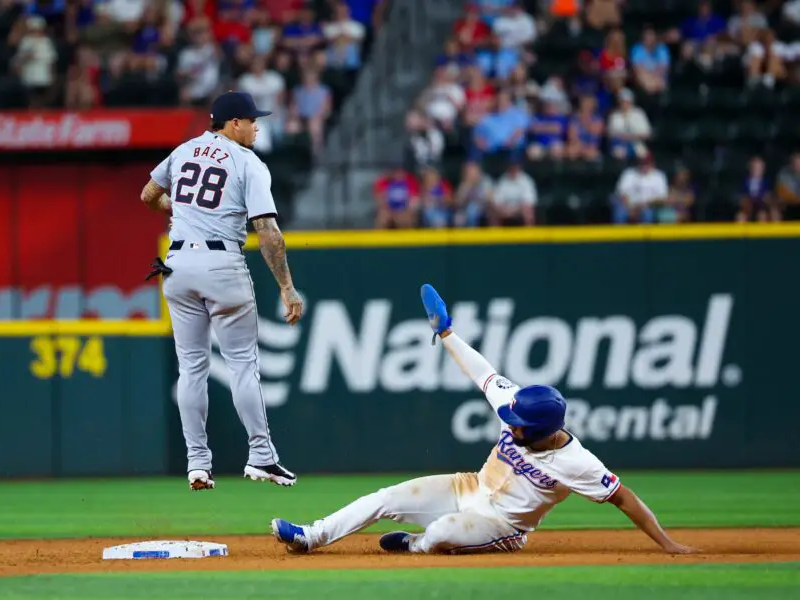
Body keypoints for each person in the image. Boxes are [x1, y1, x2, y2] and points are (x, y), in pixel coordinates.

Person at [270, 285, 699, 556]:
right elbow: (481, 371)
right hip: (469, 487)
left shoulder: (578, 463)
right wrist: (446, 333)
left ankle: (417, 545)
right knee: (385, 498)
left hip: (503, 525)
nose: (511, 423)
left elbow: (624, 498)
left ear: (544, 432)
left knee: (440, 533)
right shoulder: (517, 404)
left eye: (519, 425)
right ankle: (312, 536)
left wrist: (668, 544)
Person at [140, 91, 303, 491]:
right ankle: (261, 456)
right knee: (243, 365)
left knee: (191, 368)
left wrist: (181, 209)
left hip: (177, 264)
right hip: (221, 263)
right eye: (252, 120)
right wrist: (287, 287)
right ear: (234, 124)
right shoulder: (248, 162)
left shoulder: (183, 151)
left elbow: (147, 195)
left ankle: (197, 463)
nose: (257, 127)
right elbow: (268, 232)